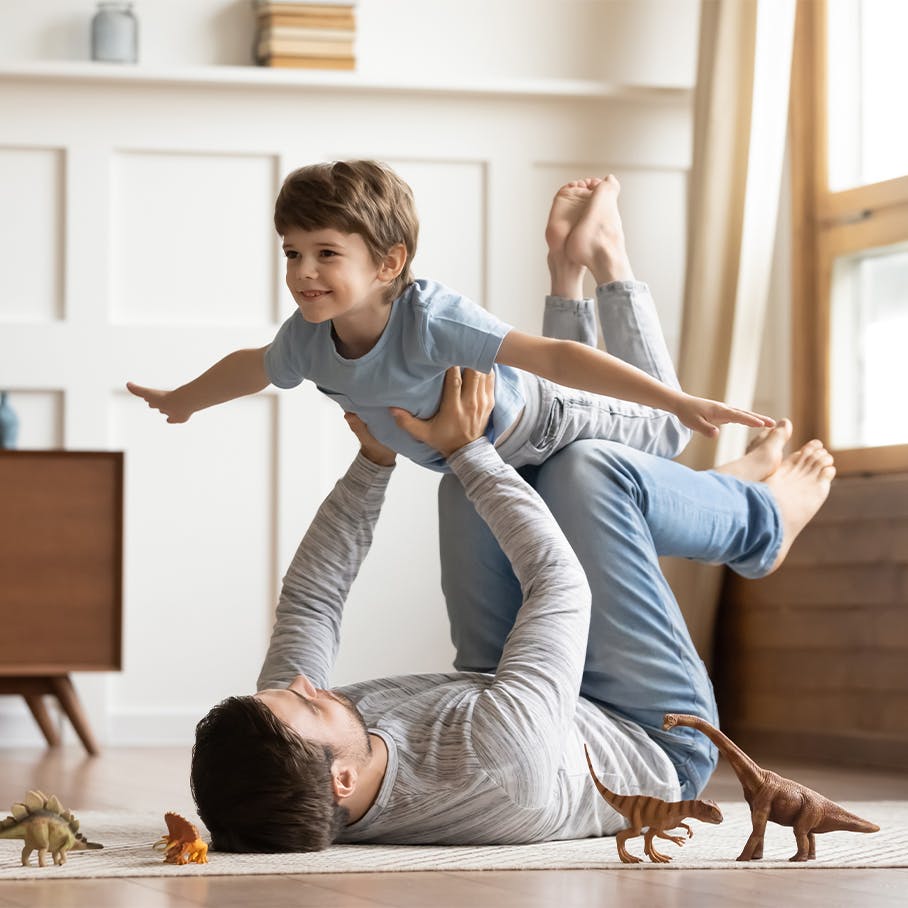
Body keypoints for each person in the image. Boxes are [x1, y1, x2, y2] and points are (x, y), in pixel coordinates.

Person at [189, 364, 835, 852]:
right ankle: (761, 522)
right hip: (650, 731)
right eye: (308, 705)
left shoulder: (296, 752)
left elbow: (312, 601)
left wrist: (373, 459)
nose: (307, 686)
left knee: (469, 486)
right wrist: (467, 450)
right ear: (341, 784)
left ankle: (708, 491)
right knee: (586, 472)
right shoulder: (498, 763)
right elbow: (561, 586)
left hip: (507, 688)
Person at [126, 164, 774, 475]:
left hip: (543, 420)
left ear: (388, 262)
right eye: (292, 253)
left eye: (326, 254)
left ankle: (606, 257)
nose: (303, 272)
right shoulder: (307, 338)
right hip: (496, 455)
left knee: (670, 434)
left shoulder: (430, 318)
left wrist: (677, 401)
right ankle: (568, 264)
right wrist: (185, 400)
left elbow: (551, 358)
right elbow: (255, 367)